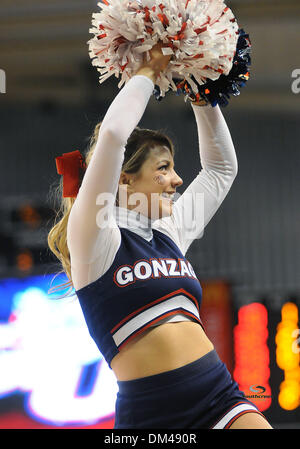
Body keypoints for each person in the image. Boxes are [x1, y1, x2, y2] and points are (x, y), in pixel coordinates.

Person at [48, 42, 272, 429]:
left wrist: (201, 89)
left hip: (218, 395)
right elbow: (115, 135)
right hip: (152, 414)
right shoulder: (96, 239)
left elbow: (220, 170)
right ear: (124, 178)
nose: (177, 180)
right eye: (164, 169)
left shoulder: (168, 233)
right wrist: (150, 71)